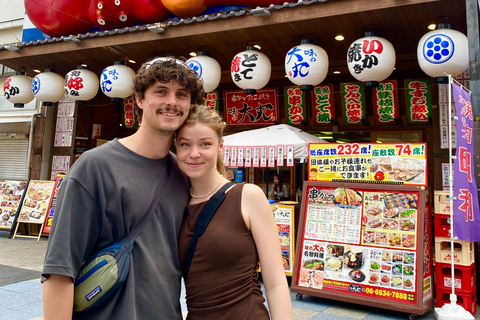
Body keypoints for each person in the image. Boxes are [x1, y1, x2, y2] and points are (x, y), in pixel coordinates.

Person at [42, 56, 204, 320]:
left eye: (182, 94)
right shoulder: (95, 167)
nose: (172, 102)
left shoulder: (185, 174)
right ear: (139, 99)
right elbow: (59, 270)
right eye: (161, 91)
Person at [176, 105, 292, 320]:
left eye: (205, 144)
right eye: (185, 144)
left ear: (220, 146)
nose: (194, 153)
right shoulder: (174, 203)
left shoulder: (248, 196)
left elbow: (276, 282)